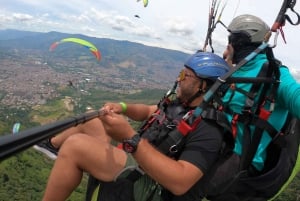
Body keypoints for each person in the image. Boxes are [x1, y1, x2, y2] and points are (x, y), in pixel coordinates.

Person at [41, 52, 231, 201]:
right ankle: (51, 146)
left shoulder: (209, 129)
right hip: (139, 162)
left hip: (151, 186)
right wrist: (122, 107)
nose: (179, 78)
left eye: (186, 75)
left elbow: (181, 181)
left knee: (76, 145)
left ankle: (65, 156)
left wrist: (131, 138)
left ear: (204, 86)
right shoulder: (180, 105)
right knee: (93, 118)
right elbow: (149, 111)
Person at [206, 14, 300, 200]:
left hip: (242, 161)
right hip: (221, 144)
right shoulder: (236, 70)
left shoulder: (275, 74)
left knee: (182, 182)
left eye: (230, 40)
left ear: (238, 42)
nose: (228, 45)